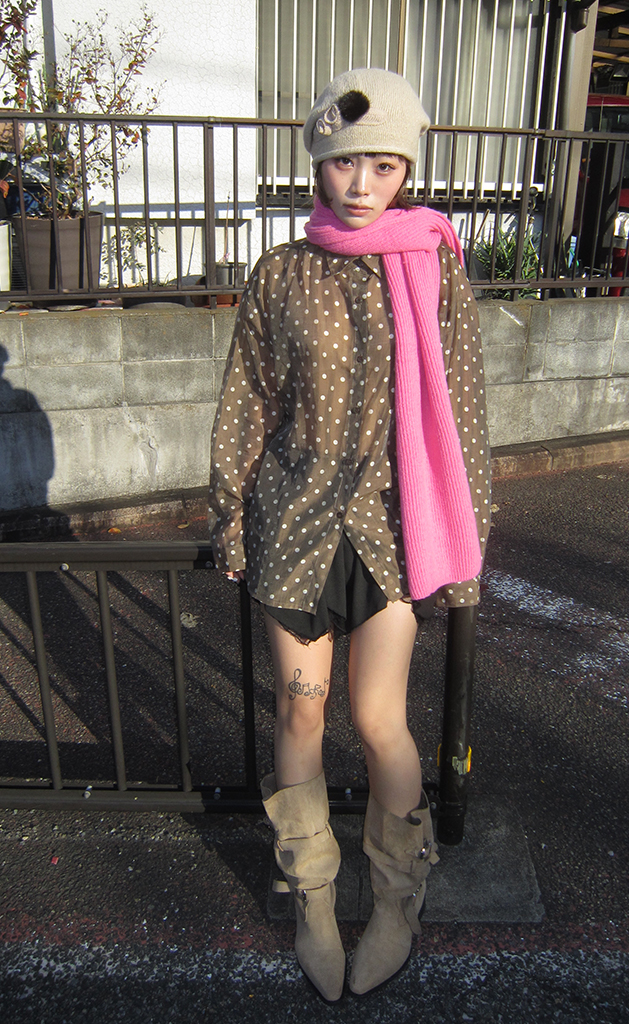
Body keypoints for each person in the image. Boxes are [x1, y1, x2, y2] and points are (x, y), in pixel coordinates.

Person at [209, 68, 490, 1001]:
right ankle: (314, 902)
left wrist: (468, 542)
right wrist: (229, 517)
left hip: (392, 527)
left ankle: (399, 903)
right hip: (293, 524)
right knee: (300, 711)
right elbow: (248, 401)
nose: (361, 184)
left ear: (407, 169)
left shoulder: (434, 266)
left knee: (378, 721)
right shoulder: (280, 272)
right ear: (316, 165)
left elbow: (463, 412)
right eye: (342, 163)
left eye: (383, 165)